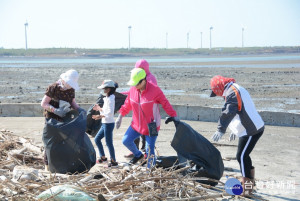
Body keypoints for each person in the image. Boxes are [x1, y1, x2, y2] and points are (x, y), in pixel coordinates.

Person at [210, 75, 264, 197]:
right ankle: (250, 184)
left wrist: (221, 129)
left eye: (216, 92)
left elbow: (229, 112)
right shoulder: (234, 88)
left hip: (252, 130)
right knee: (243, 155)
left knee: (242, 156)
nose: (217, 95)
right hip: (249, 127)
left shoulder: (232, 93)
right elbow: (240, 111)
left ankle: (247, 188)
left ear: (218, 87)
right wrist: (234, 130)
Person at [116, 68, 178, 168]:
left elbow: (165, 103)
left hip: (151, 126)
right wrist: (120, 116)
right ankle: (138, 155)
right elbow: (128, 103)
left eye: (137, 83)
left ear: (144, 80)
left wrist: (174, 115)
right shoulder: (133, 89)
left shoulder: (155, 90)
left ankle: (150, 172)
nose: (135, 86)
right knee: (126, 141)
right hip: (136, 125)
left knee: (149, 150)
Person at [41, 69, 80, 170]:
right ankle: (47, 166)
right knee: (50, 141)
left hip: (64, 118)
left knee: (63, 141)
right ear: (63, 80)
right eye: (68, 83)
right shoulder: (53, 87)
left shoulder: (71, 89)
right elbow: (43, 104)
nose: (69, 86)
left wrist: (79, 109)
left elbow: (72, 103)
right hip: (51, 119)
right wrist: (55, 110)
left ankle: (60, 164)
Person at [123, 59, 161, 158]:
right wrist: (125, 94)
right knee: (134, 131)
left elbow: (151, 94)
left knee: (148, 141)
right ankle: (136, 151)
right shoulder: (138, 77)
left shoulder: (150, 78)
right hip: (138, 113)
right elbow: (135, 90)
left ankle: (146, 153)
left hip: (149, 117)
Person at [92, 80, 118, 167]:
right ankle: (103, 157)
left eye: (104, 88)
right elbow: (106, 111)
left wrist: (99, 116)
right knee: (97, 139)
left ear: (109, 89)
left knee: (109, 143)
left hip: (108, 124)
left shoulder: (111, 99)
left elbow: (110, 113)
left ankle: (113, 161)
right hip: (105, 123)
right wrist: (99, 109)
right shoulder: (107, 98)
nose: (103, 89)